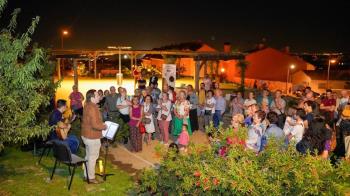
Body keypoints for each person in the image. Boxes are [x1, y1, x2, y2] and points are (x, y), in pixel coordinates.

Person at [81, 89, 107, 184]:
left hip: (86, 135)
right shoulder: (92, 108)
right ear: (92, 98)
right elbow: (95, 125)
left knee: (88, 156)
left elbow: (92, 121)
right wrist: (104, 126)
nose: (99, 96)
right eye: (97, 95)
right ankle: (91, 178)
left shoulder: (87, 105)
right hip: (92, 136)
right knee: (92, 158)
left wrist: (100, 123)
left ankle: (86, 175)